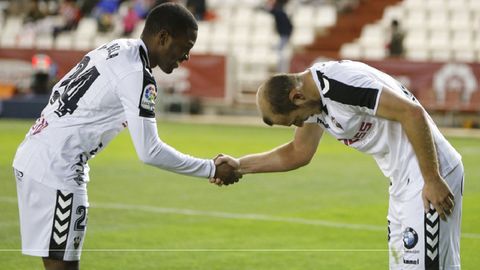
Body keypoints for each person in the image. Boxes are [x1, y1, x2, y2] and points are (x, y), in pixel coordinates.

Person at [13, 3, 237, 270]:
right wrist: (210, 168)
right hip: (58, 169)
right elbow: (149, 151)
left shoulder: (117, 47)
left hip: (33, 155)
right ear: (163, 37)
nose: (187, 56)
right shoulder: (137, 74)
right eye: (185, 46)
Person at [214, 60, 464, 270]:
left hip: (429, 175)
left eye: (294, 121)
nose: (299, 125)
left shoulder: (340, 86)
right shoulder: (313, 102)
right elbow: (298, 152)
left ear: (297, 97)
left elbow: (412, 113)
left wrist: (432, 178)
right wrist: (239, 166)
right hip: (402, 182)